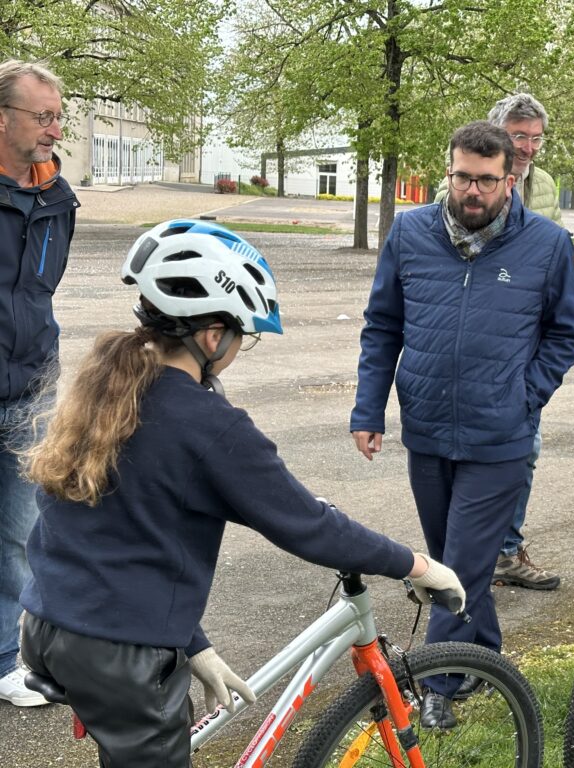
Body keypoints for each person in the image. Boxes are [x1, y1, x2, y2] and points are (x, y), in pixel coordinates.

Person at [17, 219, 464, 765]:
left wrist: (191, 642)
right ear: (213, 336)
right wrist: (416, 565)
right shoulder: (209, 424)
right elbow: (309, 526)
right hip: (117, 650)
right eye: (242, 336)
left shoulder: (109, 388)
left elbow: (114, 530)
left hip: (48, 622)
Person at [351, 121, 574, 726]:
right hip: (427, 429)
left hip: (500, 438)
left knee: (457, 565)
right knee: (457, 561)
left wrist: (524, 396)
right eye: (462, 177)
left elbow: (566, 333)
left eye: (485, 180)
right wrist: (369, 409)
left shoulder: (547, 245)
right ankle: (486, 658)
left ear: (510, 181)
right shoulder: (410, 233)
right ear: (448, 173)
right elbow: (383, 326)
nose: (472, 190)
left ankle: (440, 683)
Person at [436, 92, 564, 590]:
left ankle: (504, 551)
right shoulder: (463, 183)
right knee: (464, 457)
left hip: (524, 345)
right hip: (476, 342)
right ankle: (461, 555)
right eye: (518, 136)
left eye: (535, 138)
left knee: (524, 450)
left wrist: (532, 387)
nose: (528, 147)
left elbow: (551, 250)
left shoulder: (544, 185)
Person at [0, 59, 79, 708]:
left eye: (58, 117)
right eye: (43, 117)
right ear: (3, 119)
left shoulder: (57, 199)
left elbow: (40, 293)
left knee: (21, 531)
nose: (55, 130)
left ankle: (8, 660)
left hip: (30, 389)